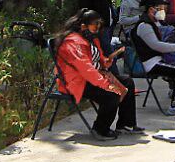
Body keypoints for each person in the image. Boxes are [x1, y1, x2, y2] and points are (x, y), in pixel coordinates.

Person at [55, 9, 142, 140]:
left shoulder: (91, 39)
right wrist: (106, 84)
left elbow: (98, 60)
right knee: (112, 93)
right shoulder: (72, 42)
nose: (97, 29)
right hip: (77, 82)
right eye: (95, 26)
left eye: (99, 26)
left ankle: (125, 124)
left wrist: (107, 61)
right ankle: (100, 129)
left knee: (127, 82)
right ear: (83, 26)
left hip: (95, 77)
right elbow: (86, 69)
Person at [130, 0, 175, 108]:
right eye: (160, 7)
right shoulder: (144, 25)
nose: (163, 10)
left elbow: (172, 34)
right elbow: (157, 45)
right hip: (152, 63)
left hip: (163, 58)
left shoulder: (157, 22)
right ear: (151, 9)